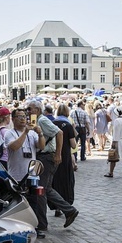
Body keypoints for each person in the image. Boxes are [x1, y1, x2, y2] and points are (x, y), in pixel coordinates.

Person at [27, 99, 79, 235]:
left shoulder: (42, 120)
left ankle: (42, 225)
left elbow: (59, 133)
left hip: (47, 157)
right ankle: (69, 210)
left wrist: (58, 154)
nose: (27, 111)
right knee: (47, 189)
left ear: (37, 110)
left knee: (41, 191)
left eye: (29, 109)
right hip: (43, 157)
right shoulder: (35, 120)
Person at [5, 107, 45, 236]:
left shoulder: (32, 133)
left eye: (24, 116)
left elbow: (41, 146)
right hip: (16, 175)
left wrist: (40, 134)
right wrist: (25, 132)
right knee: (18, 203)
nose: (23, 119)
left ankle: (34, 227)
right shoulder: (9, 133)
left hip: (31, 174)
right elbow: (15, 147)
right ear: (13, 119)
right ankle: (18, 228)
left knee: (33, 202)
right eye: (20, 117)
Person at [52, 103, 77, 215]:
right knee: (66, 181)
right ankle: (65, 204)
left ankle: (57, 206)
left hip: (53, 155)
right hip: (65, 155)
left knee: (55, 181)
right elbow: (73, 145)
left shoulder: (52, 123)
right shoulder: (68, 125)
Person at [105, 108, 122, 178]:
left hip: (118, 141)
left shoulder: (117, 121)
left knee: (113, 157)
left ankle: (111, 172)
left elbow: (116, 133)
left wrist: (114, 143)